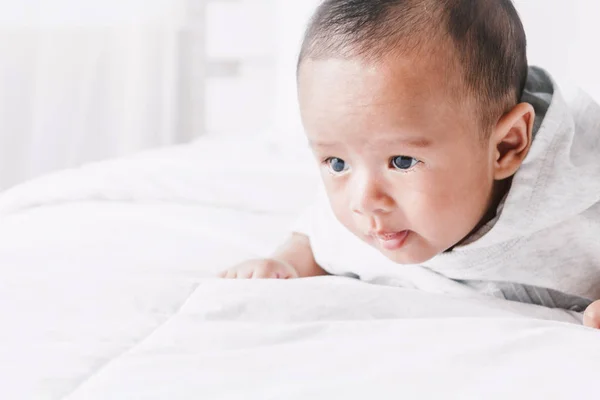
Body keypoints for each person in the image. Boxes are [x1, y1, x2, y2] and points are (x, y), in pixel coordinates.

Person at [219, 0, 600, 328]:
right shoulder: (364, 217)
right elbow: (316, 236)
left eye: (401, 161)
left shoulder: (580, 200)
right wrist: (282, 264)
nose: (364, 200)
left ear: (504, 147)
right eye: (336, 163)